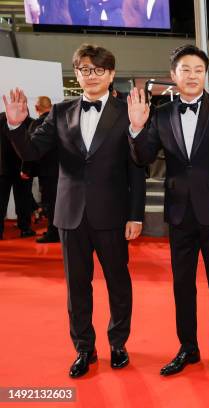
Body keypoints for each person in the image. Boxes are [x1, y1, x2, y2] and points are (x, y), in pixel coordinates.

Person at [3, 44, 146, 378]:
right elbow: (33, 152)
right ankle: (84, 348)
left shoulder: (128, 111)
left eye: (98, 69)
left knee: (118, 282)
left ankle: (118, 343)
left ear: (110, 74)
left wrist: (135, 214)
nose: (90, 75)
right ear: (76, 74)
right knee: (77, 285)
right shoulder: (60, 111)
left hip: (112, 213)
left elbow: (137, 167)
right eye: (84, 69)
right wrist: (15, 127)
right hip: (70, 214)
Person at [127, 44, 209, 379]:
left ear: (205, 75)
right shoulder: (161, 113)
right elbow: (143, 157)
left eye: (198, 70)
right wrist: (136, 128)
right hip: (179, 214)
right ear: (173, 75)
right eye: (185, 70)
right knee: (182, 285)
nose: (191, 76)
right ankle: (188, 348)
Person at [28, 96, 60, 243]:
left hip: (47, 172)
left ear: (36, 108)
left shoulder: (38, 124)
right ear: (51, 106)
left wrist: (27, 170)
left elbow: (30, 151)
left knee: (50, 203)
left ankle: (54, 233)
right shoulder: (61, 121)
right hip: (65, 171)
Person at [0, 112, 36, 240]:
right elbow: (33, 148)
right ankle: (25, 229)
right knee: (23, 201)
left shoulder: (1, 119)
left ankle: (24, 228)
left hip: (5, 168)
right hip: (22, 169)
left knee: (8, 201)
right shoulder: (31, 122)